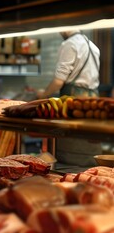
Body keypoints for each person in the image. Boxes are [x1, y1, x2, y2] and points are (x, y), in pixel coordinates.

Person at [37, 30, 101, 168]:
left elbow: (59, 81)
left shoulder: (69, 44)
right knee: (89, 149)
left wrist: (43, 95)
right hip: (93, 103)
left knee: (71, 157)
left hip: (74, 103)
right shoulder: (93, 46)